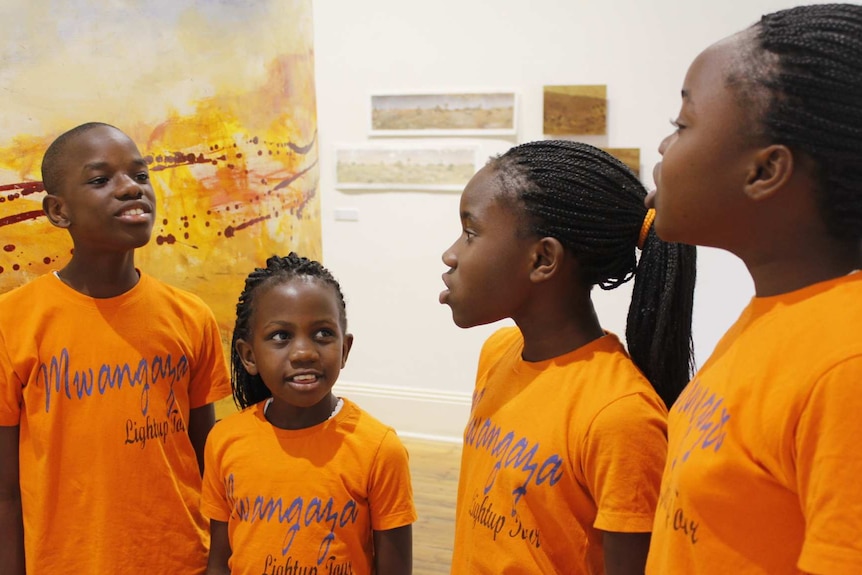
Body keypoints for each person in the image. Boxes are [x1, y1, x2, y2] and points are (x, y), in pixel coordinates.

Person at [644, 4, 862, 574]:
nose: (664, 151)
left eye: (681, 125)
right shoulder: (776, 318)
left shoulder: (847, 367)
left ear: (765, 172)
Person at [439, 139, 697, 574]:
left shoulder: (620, 417)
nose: (451, 254)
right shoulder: (500, 352)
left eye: (471, 232)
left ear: (542, 258)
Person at [0, 122, 231, 574]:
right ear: (58, 211)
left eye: (140, 176)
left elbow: (206, 460)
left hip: (182, 558)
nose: (130, 189)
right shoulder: (13, 322)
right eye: (101, 179)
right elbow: (5, 491)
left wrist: (219, 561)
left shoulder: (190, 315)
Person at [201, 253, 416, 575]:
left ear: (345, 349)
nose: (304, 352)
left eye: (323, 334)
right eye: (281, 336)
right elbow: (219, 560)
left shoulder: (379, 449)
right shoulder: (225, 440)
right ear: (249, 355)